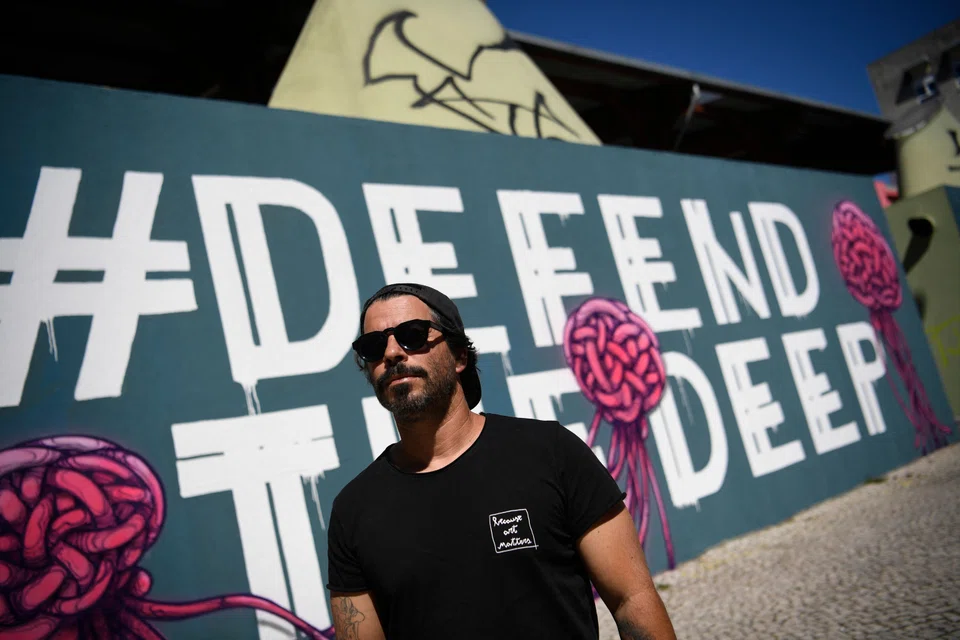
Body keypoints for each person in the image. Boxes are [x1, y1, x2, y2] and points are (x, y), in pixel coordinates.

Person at [326, 283, 677, 640]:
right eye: (373, 346)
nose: (392, 353)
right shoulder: (353, 512)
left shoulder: (551, 453)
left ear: (460, 356)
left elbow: (631, 600)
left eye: (412, 335)